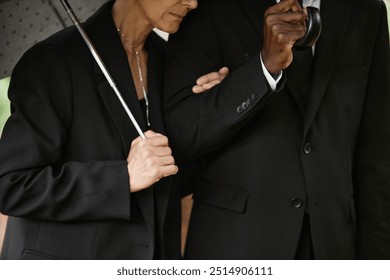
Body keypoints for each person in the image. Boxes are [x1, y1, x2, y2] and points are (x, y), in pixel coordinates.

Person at [0, 0, 229, 260]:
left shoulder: (172, 63)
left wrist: (209, 111)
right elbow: (11, 185)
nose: (192, 2)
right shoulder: (52, 61)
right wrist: (123, 177)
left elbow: (177, 179)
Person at [164, 0, 390, 259]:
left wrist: (378, 262)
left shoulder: (367, 10)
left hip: (333, 247)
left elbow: (377, 154)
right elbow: (181, 135)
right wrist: (264, 68)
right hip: (236, 244)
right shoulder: (206, 6)